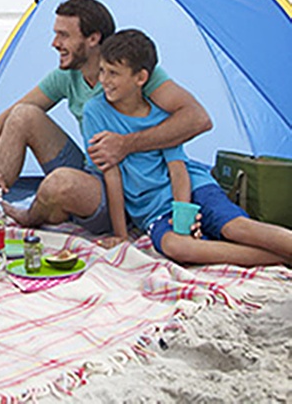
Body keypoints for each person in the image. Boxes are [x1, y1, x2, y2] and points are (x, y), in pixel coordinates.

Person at [0, 0, 211, 239]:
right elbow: (9, 114)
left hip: (133, 190)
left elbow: (198, 118)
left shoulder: (133, 72)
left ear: (93, 39)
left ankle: (33, 215)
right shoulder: (67, 76)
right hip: (95, 179)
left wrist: (126, 144)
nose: (54, 43)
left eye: (64, 35)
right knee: (23, 115)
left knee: (58, 184)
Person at [81, 28, 291, 265]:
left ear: (140, 78)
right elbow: (112, 175)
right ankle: (281, 258)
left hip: (194, 187)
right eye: (102, 70)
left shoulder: (161, 115)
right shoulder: (94, 113)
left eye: (113, 73)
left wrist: (183, 215)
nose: (104, 80)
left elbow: (178, 169)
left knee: (236, 229)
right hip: (153, 208)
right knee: (177, 247)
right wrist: (120, 235)